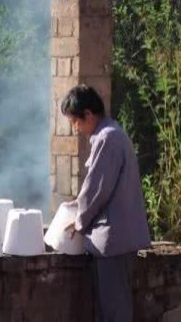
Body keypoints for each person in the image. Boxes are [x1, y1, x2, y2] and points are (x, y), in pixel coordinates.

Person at [61, 84, 151, 322]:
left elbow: (98, 189)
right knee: (110, 309)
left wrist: (79, 221)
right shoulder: (113, 134)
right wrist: (78, 202)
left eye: (75, 122)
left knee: (115, 312)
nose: (76, 129)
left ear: (88, 115)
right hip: (117, 240)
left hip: (113, 242)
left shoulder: (107, 138)